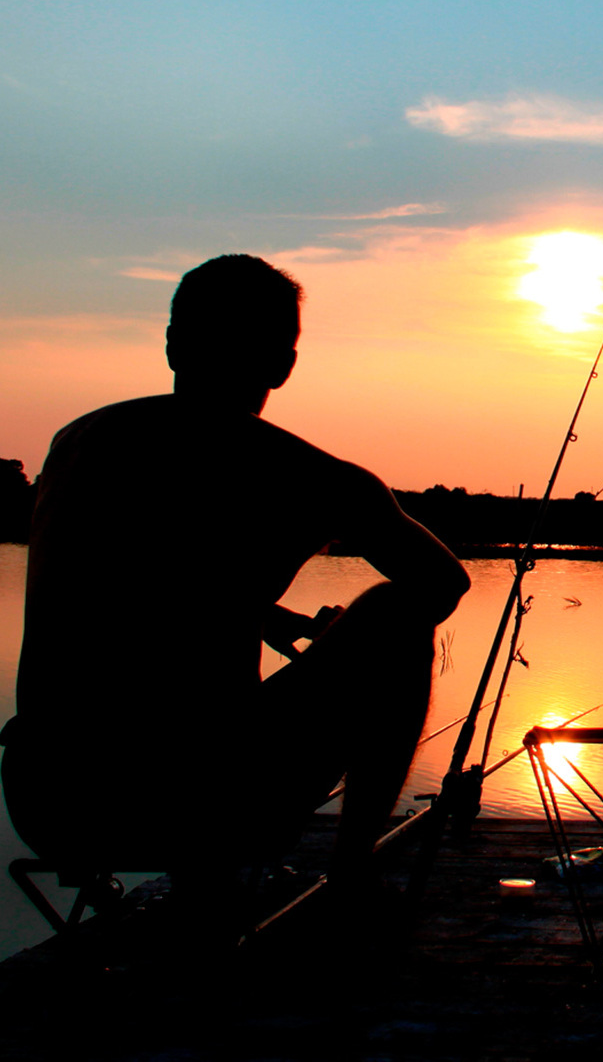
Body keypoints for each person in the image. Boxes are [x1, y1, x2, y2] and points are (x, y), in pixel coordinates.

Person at [2, 254, 470, 921]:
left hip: (50, 803)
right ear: (284, 364)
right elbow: (441, 584)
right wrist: (339, 638)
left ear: (171, 344)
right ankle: (349, 875)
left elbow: (146, 585)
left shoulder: (79, 440)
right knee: (397, 613)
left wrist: (259, 613)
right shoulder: (314, 479)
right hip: (207, 805)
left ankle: (200, 889)